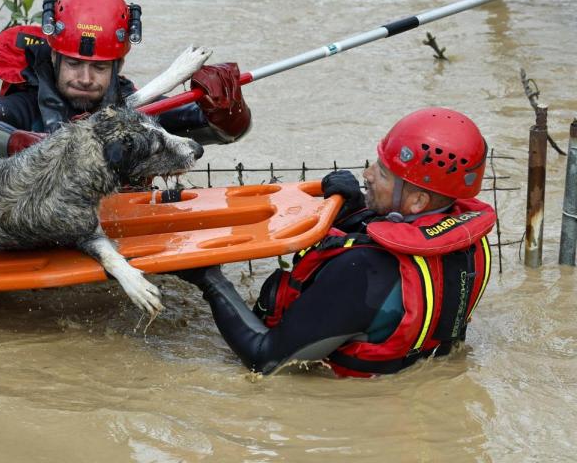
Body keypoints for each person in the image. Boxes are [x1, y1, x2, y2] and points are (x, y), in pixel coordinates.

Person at [177, 107, 496, 377]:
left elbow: (266, 361)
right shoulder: (470, 239)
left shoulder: (362, 271)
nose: (368, 174)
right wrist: (356, 209)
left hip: (349, 394)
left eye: (383, 174)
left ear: (417, 202)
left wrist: (209, 279)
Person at [0, 0, 252, 156]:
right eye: (74, 64)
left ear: (118, 65)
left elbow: (224, 132)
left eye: (99, 67)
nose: (85, 79)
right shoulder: (24, 105)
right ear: (54, 60)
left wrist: (227, 110)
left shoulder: (137, 107)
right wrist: (24, 142)